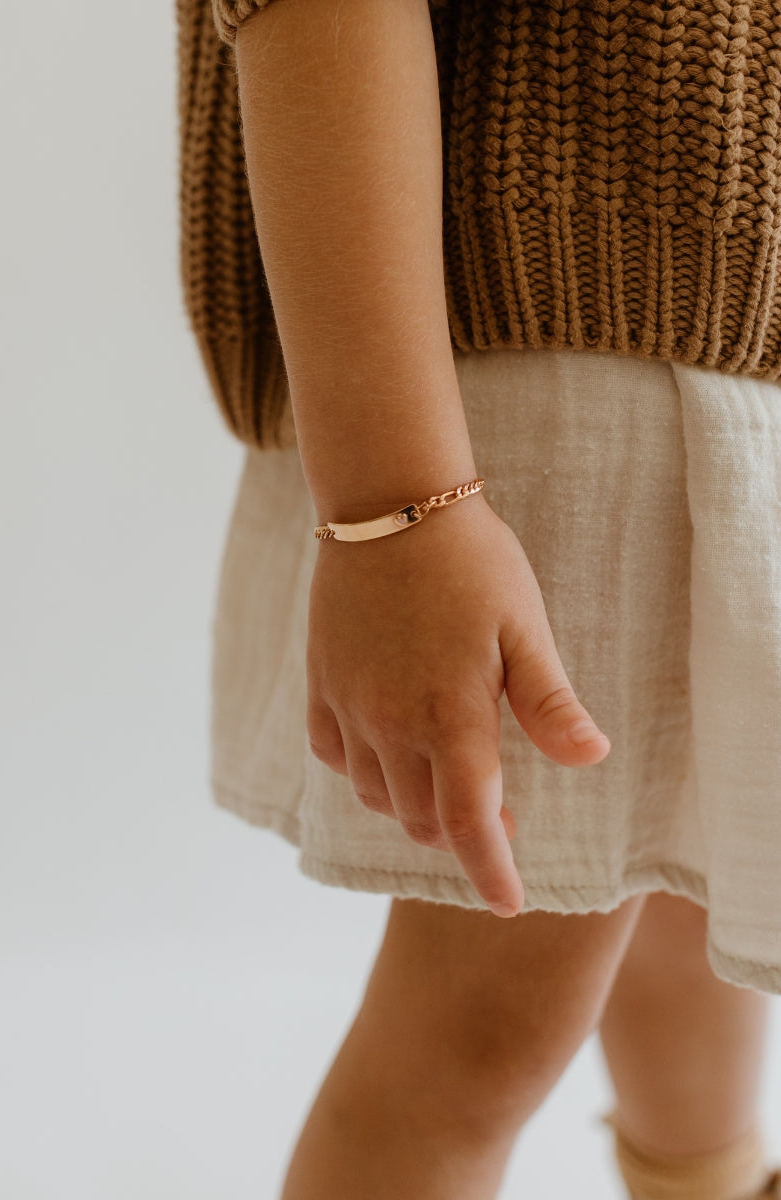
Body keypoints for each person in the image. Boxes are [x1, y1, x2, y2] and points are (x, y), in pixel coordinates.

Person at [177, 0, 781, 1196]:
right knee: (465, 1055)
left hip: (710, 348)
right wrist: (401, 509)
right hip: (544, 381)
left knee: (679, 900)